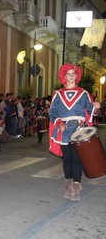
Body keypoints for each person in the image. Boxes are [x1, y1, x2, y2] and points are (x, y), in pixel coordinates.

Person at [49, 63, 101, 201]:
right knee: (67, 159)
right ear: (64, 76)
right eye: (68, 74)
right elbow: (53, 112)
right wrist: (59, 123)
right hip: (64, 130)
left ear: (76, 76)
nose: (71, 76)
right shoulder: (57, 94)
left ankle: (76, 187)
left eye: (73, 73)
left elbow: (91, 111)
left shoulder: (84, 93)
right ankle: (69, 185)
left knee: (77, 158)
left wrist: (96, 107)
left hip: (79, 129)